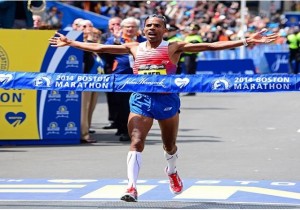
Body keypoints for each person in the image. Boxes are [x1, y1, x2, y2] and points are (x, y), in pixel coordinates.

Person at [49, 14, 278, 202]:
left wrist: (246, 41)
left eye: (156, 26)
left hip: (167, 101)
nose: (151, 28)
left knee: (169, 146)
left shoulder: (174, 47)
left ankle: (172, 171)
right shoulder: (134, 48)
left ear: (164, 31)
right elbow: (101, 47)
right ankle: (131, 187)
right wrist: (71, 43)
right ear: (144, 29)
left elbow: (210, 44)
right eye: (148, 25)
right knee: (137, 141)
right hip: (141, 99)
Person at [105, 17, 146, 141]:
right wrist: (116, 41)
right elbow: (104, 52)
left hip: (139, 78)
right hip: (121, 77)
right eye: (127, 26)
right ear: (122, 28)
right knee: (122, 105)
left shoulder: (143, 41)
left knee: (137, 106)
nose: (130, 29)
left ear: (138, 29)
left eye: (133, 26)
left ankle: (135, 130)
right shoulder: (114, 40)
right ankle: (123, 130)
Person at [101, 16, 122, 130]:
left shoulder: (125, 36)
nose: (115, 26)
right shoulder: (104, 36)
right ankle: (113, 119)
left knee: (122, 99)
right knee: (111, 97)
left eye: (117, 24)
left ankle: (121, 122)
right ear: (109, 26)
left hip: (121, 70)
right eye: (112, 24)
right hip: (108, 70)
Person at [182, 24, 203, 96]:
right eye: (190, 29)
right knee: (188, 73)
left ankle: (192, 90)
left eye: (193, 29)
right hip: (186, 56)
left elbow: (194, 47)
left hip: (191, 56)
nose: (191, 31)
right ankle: (190, 89)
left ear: (196, 30)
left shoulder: (196, 37)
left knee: (191, 73)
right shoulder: (187, 37)